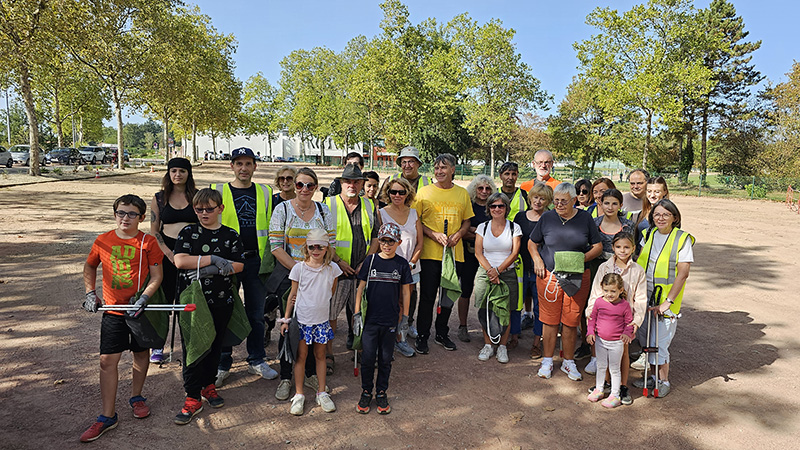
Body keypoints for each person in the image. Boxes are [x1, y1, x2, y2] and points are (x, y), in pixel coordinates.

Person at [80, 195, 164, 443]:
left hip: (139, 311)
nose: (125, 218)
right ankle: (107, 416)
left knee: (140, 354)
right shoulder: (102, 240)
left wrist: (144, 299)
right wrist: (89, 293)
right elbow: (89, 266)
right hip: (113, 312)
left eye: (131, 214)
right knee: (107, 360)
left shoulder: (148, 242)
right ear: (114, 213)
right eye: (121, 213)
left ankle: (136, 397)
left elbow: (156, 276)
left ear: (141, 217)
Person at [172, 189, 245, 425]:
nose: (204, 213)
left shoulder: (231, 235)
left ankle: (209, 386)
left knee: (215, 344)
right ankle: (192, 396)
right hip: (193, 300)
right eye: (199, 209)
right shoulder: (189, 232)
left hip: (222, 299)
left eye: (209, 209)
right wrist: (212, 259)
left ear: (221, 208)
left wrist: (221, 267)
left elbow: (239, 265)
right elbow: (180, 260)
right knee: (194, 347)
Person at [211, 147, 277, 385]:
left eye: (248, 164)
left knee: (256, 314)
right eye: (239, 164)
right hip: (226, 261)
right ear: (232, 166)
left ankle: (256, 359)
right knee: (225, 311)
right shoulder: (218, 191)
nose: (243, 168)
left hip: (255, 261)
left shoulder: (266, 191)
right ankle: (223, 363)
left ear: (255, 167)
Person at [269, 167, 336, 402]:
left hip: (317, 278)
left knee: (314, 326)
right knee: (291, 327)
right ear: (293, 186)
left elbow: (331, 243)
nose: (304, 189)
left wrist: (314, 272)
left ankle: (309, 374)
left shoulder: (323, 210)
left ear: (316, 187)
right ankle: (286, 377)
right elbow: (276, 245)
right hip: (291, 276)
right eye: (299, 184)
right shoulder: (282, 209)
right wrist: (300, 272)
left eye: (309, 185)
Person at [529, 183, 602, 381]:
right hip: (549, 277)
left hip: (578, 276)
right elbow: (532, 242)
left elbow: (598, 246)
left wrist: (580, 260)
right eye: (556, 201)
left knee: (571, 320)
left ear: (574, 200)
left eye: (564, 201)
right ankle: (547, 360)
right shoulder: (547, 217)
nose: (559, 205)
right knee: (549, 320)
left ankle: (568, 362)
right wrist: (537, 259)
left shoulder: (585, 218)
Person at [632, 199, 694, 398]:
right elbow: (640, 261)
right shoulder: (648, 233)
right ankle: (652, 376)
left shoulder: (682, 239)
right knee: (645, 338)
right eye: (657, 214)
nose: (660, 218)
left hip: (665, 300)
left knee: (659, 342)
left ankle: (663, 380)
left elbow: (682, 273)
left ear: (674, 218)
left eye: (666, 214)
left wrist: (668, 302)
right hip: (644, 295)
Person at [414, 153, 474, 353]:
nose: (439, 171)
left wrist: (459, 234)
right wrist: (432, 234)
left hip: (454, 255)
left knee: (447, 297)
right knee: (428, 297)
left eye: (444, 167)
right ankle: (423, 335)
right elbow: (416, 221)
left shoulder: (462, 193)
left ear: (453, 170)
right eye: (437, 168)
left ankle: (442, 333)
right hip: (431, 254)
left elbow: (467, 221)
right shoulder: (424, 192)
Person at [281, 228, 343, 415]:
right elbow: (293, 294)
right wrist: (286, 319)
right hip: (302, 322)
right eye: (312, 247)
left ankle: (321, 392)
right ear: (306, 248)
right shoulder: (299, 268)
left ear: (326, 248)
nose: (316, 250)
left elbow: (331, 292)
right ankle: (299, 394)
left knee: (320, 356)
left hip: (321, 321)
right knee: (301, 356)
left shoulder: (333, 269)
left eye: (320, 246)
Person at [354, 223, 413, 414]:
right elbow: (360, 289)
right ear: (379, 241)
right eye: (383, 241)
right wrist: (356, 314)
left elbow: (406, 292)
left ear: (399, 242)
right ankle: (366, 391)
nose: (387, 245)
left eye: (391, 241)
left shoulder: (402, 265)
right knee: (368, 358)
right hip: (370, 320)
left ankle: (381, 392)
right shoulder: (370, 261)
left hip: (390, 321)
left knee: (386, 359)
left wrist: (405, 318)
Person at [325, 163, 378, 372]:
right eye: (348, 181)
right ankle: (328, 355)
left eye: (357, 181)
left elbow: (375, 236)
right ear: (340, 183)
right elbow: (322, 239)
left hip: (360, 271)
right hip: (336, 271)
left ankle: (362, 349)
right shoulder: (327, 204)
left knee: (362, 313)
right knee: (330, 316)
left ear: (363, 184)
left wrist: (366, 261)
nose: (352, 185)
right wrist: (339, 261)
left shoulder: (369, 205)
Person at [585, 232, 646, 406]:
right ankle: (604, 383)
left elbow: (641, 299)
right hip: (604, 319)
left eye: (627, 247)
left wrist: (636, 321)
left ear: (633, 248)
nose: (622, 251)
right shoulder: (605, 267)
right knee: (602, 351)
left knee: (623, 353)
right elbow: (596, 292)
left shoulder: (638, 271)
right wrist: (590, 312)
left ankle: (622, 385)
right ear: (613, 248)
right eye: (618, 247)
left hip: (624, 320)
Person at [149, 157, 198, 363]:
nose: (178, 174)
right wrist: (168, 253)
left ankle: (191, 343)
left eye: (182, 171)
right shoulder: (159, 198)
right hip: (166, 252)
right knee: (164, 299)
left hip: (191, 252)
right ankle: (157, 345)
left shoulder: (196, 196)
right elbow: (153, 231)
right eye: (174, 170)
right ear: (168, 173)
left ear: (189, 173)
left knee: (188, 299)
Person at [473, 193, 522, 363]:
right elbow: (478, 252)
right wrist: (490, 271)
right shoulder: (482, 227)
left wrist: (498, 271)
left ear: (506, 208)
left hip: (506, 274)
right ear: (488, 208)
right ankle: (488, 345)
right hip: (485, 273)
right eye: (493, 206)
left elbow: (515, 253)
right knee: (485, 308)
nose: (497, 209)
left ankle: (502, 346)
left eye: (500, 206)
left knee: (505, 310)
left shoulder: (514, 227)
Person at [378, 177, 422, 358]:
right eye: (393, 192)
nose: (397, 195)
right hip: (388, 269)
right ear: (388, 193)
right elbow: (380, 242)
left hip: (410, 268)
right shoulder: (381, 213)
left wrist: (411, 263)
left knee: (404, 305)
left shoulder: (413, 214)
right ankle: (386, 341)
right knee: (388, 305)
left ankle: (400, 339)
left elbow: (420, 243)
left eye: (401, 192)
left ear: (407, 194)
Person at [514, 183, 553, 359]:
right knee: (516, 304)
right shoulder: (520, 217)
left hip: (540, 270)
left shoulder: (551, 218)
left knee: (540, 308)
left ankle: (537, 343)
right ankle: (513, 337)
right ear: (530, 198)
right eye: (535, 197)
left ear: (547, 201)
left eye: (542, 198)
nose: (538, 201)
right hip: (520, 268)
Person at [586, 273, 634, 409]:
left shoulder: (624, 305)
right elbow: (592, 319)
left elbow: (628, 323)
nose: (609, 294)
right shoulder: (599, 302)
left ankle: (615, 395)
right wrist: (590, 333)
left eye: (613, 291)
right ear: (602, 288)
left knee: (614, 369)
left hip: (616, 343)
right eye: (606, 291)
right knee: (601, 366)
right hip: (600, 341)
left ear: (621, 290)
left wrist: (626, 333)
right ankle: (599, 389)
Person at [457, 175, 496, 344]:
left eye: (487, 188)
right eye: (480, 188)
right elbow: (462, 231)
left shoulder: (494, 206)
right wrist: (481, 233)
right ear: (475, 189)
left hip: (489, 255)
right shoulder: (469, 205)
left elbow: (496, 231)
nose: (484, 192)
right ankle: (463, 326)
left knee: (486, 292)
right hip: (468, 253)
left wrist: (475, 231)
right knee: (465, 290)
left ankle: (487, 328)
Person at [594, 189, 636, 262]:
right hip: (596, 267)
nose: (610, 207)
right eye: (606, 203)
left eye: (614, 204)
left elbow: (630, 251)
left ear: (621, 205)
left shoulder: (628, 225)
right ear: (601, 204)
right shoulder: (593, 223)